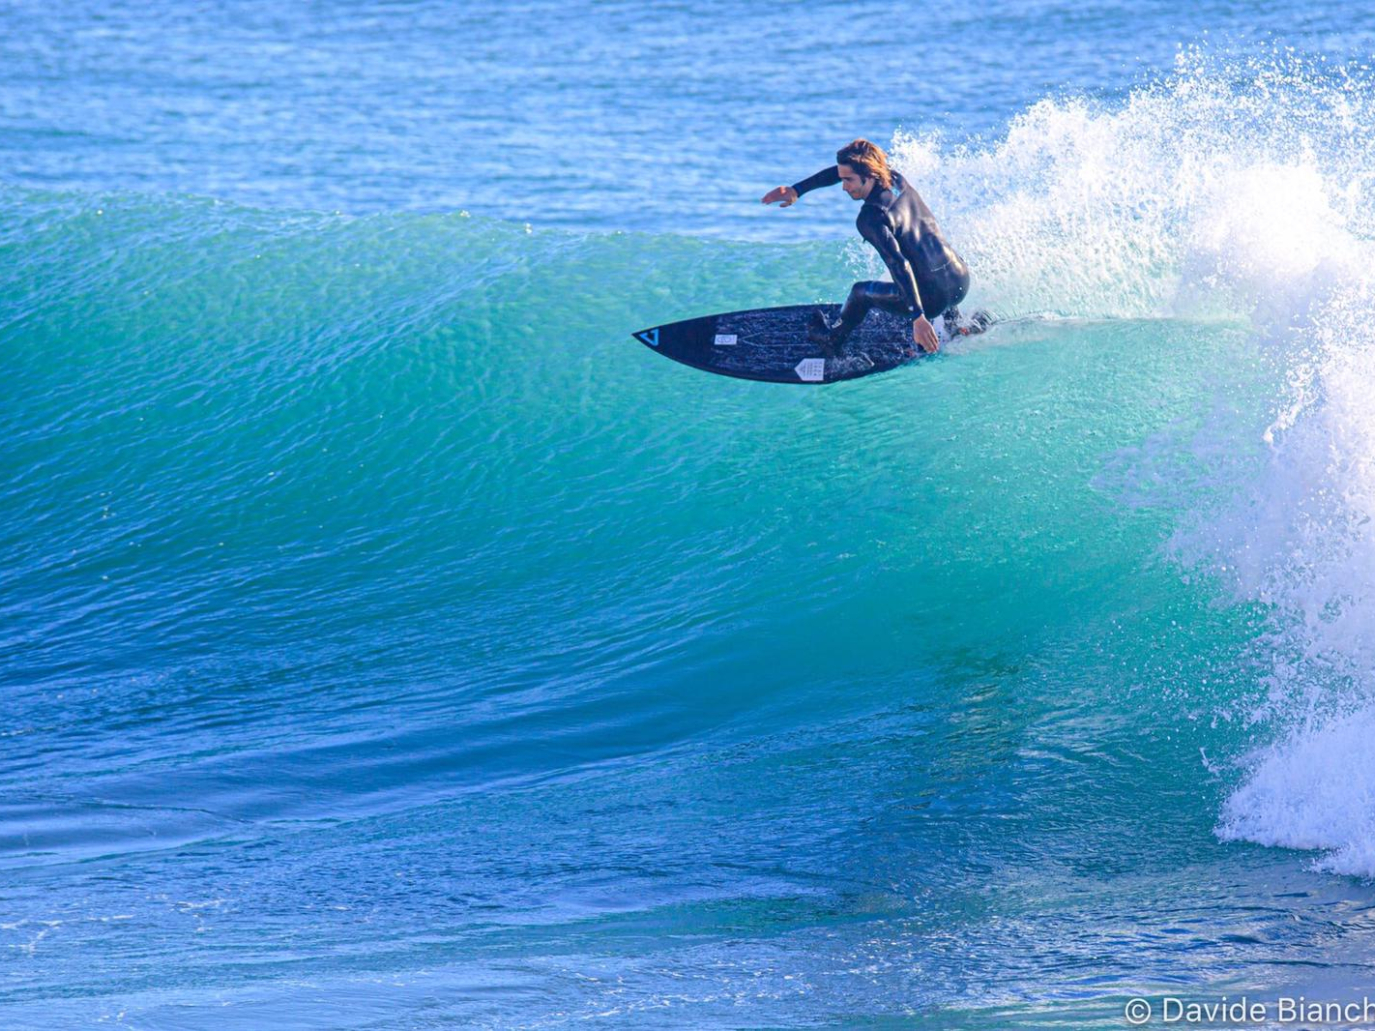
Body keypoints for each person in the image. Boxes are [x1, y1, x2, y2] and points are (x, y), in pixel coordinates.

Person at [762, 139, 988, 358]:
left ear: (868, 176)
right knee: (928, 255)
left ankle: (832, 339)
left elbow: (899, 264)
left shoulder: (871, 217)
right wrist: (797, 190)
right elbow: (843, 170)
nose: (843, 187)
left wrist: (918, 317)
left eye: (848, 181)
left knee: (860, 292)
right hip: (959, 281)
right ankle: (956, 325)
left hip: (932, 301)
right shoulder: (895, 179)